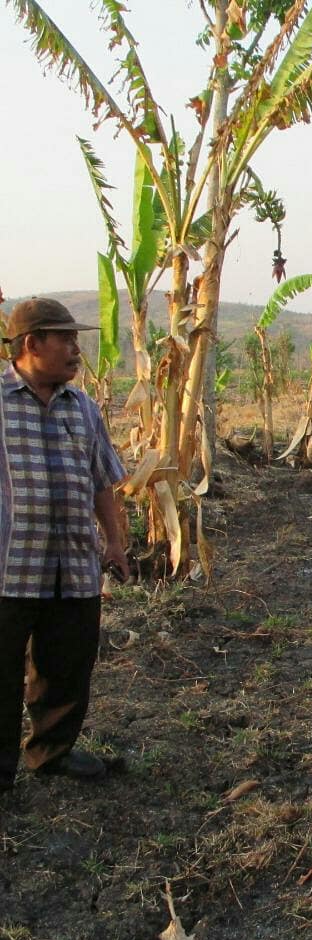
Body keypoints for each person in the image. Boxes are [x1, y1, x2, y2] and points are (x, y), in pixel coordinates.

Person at [0, 297, 128, 790]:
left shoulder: (84, 408)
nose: (77, 350)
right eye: (67, 340)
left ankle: (52, 751)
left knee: (66, 666)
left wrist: (113, 543)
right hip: (9, 565)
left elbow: (101, 481)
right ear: (32, 344)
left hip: (73, 563)